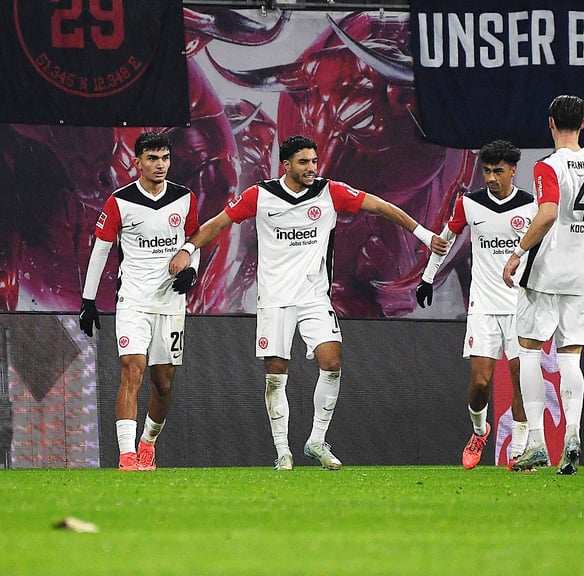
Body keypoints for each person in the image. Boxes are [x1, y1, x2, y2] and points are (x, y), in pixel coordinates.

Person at [168, 135, 448, 471]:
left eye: (314, 161)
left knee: (332, 361)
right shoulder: (260, 195)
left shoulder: (331, 192)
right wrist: (187, 249)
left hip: (314, 297)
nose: (312, 168)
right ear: (286, 165)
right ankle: (282, 450)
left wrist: (424, 235)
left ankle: (316, 440)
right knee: (276, 374)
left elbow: (380, 206)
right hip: (274, 300)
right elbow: (217, 224)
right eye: (303, 162)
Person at [502, 95, 584, 475]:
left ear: (550, 122)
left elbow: (549, 212)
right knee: (571, 355)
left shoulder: (548, 166)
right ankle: (572, 433)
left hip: (546, 273)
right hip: (582, 278)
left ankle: (537, 441)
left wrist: (518, 252)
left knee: (530, 351)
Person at [79, 132, 201, 471]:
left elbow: (194, 239)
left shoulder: (185, 198)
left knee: (163, 383)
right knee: (132, 369)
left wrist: (191, 270)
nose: (159, 165)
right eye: (152, 158)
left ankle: (147, 443)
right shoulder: (120, 201)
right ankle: (127, 457)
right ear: (138, 162)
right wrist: (88, 299)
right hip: (133, 300)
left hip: (171, 304)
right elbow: (102, 248)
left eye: (164, 158)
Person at [416, 140, 535, 470]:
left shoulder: (531, 206)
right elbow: (446, 239)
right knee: (480, 383)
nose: (492, 177)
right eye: (487, 171)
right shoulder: (468, 204)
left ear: (513, 170)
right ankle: (480, 431)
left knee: (521, 378)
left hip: (519, 306)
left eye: (498, 171)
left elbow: (543, 253)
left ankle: (519, 452)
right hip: (482, 306)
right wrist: (427, 277)